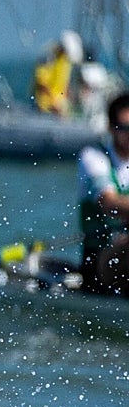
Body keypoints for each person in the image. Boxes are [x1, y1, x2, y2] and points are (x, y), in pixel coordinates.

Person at [78, 92, 129, 294]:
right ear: (110, 128)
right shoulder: (93, 157)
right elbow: (109, 204)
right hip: (100, 261)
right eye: (124, 128)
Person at [32, 30, 82, 116]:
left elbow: (62, 84)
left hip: (59, 108)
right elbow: (42, 84)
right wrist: (54, 103)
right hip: (44, 108)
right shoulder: (48, 58)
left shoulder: (66, 61)